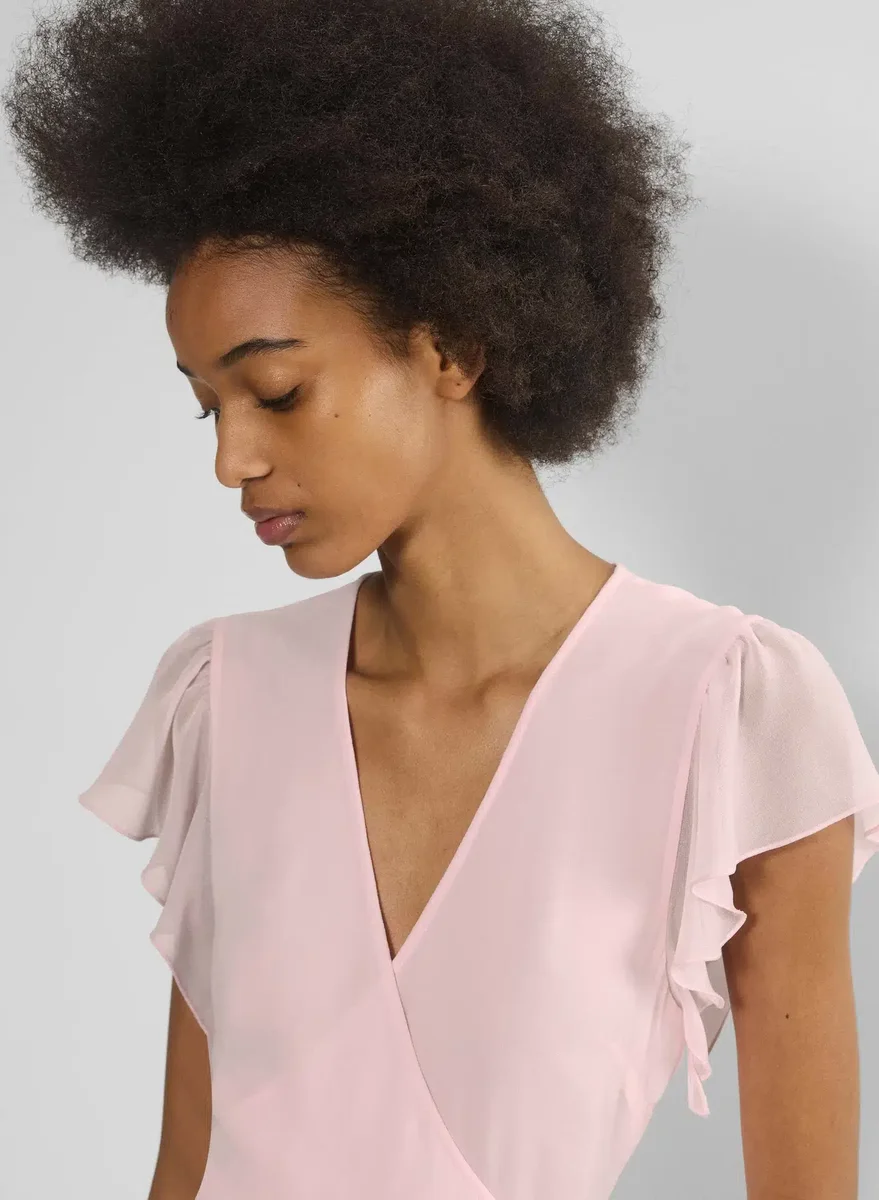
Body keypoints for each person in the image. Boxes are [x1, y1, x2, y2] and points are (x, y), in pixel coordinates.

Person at [4, 1, 877, 1197]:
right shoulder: (226, 700)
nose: (231, 460)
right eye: (210, 407)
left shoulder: (732, 712)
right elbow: (188, 1172)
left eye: (277, 391)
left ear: (452, 345)